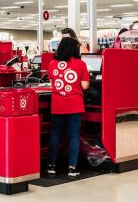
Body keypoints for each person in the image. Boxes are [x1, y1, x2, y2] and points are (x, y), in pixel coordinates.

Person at [47, 37, 90, 178]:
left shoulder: (52, 63)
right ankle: (72, 168)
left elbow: (52, 81)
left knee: (55, 134)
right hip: (74, 104)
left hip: (57, 103)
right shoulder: (81, 64)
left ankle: (51, 166)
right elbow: (84, 86)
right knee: (73, 137)